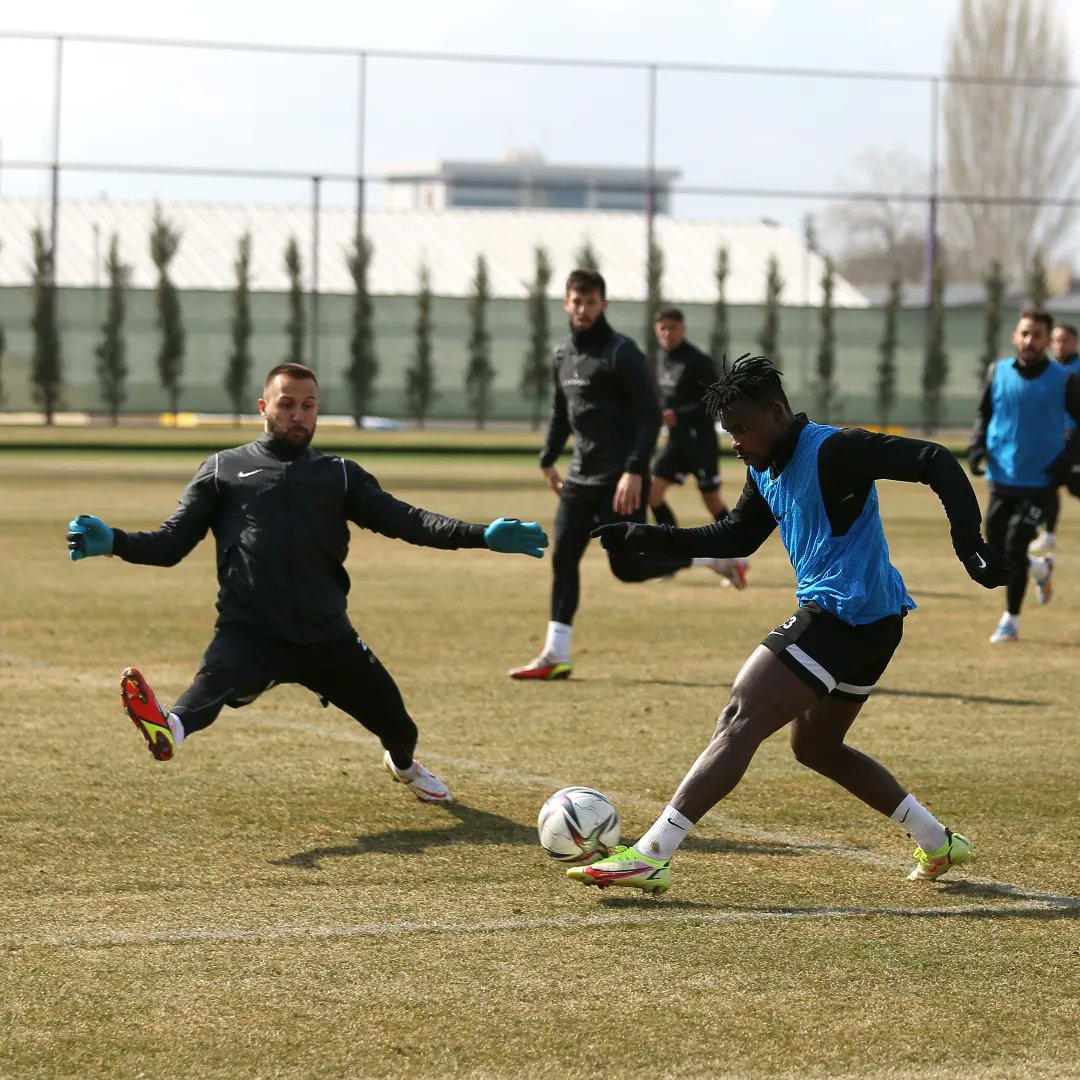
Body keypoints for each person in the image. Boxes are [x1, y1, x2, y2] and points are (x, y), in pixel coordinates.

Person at [564, 353, 1011, 895]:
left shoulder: (835, 450)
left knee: (739, 713)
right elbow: (736, 535)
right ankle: (938, 840)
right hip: (874, 622)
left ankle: (652, 854)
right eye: (729, 432)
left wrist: (970, 545)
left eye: (742, 429)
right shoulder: (764, 465)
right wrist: (652, 536)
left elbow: (935, 460)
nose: (735, 442)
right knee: (815, 748)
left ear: (776, 412)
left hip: (845, 615)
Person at [66, 362, 548, 804]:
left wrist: (481, 535)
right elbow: (171, 545)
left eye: (309, 405)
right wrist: (114, 541)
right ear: (264, 407)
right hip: (251, 630)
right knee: (208, 689)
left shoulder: (338, 475)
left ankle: (403, 766)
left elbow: (409, 520)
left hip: (327, 635)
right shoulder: (222, 470)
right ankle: (167, 728)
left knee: (400, 726)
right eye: (287, 404)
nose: (299, 415)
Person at [507, 270, 748, 682]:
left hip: (621, 482)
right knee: (563, 557)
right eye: (576, 302)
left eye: (591, 302)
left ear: (604, 304)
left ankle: (711, 557)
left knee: (628, 568)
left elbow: (649, 414)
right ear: (566, 304)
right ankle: (555, 655)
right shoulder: (562, 354)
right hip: (579, 481)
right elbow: (561, 412)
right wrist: (548, 458)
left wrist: (635, 470)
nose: (583, 310)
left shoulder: (622, 353)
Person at [968, 309, 1080, 644]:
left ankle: (1010, 621)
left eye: (1038, 335)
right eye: (1025, 334)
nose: (1030, 341)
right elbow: (984, 412)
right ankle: (1039, 569)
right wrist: (976, 446)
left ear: (1048, 340)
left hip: (1042, 481)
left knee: (1017, 543)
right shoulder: (997, 372)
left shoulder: (1064, 380)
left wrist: (1068, 460)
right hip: (1002, 476)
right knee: (999, 547)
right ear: (1016, 336)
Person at [649, 307, 736, 538]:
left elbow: (715, 401)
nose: (667, 333)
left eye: (673, 328)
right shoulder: (659, 358)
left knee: (711, 500)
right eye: (663, 328)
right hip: (676, 443)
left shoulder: (698, 361)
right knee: (652, 494)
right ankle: (672, 553)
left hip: (701, 443)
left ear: (683, 329)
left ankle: (736, 553)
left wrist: (679, 414)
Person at [1029, 321, 1080, 554]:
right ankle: (1047, 534)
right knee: (1049, 483)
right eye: (1056, 340)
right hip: (1053, 438)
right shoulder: (1047, 370)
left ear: (1075, 342)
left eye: (1065, 340)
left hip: (1075, 439)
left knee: (1071, 485)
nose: (1060, 345)